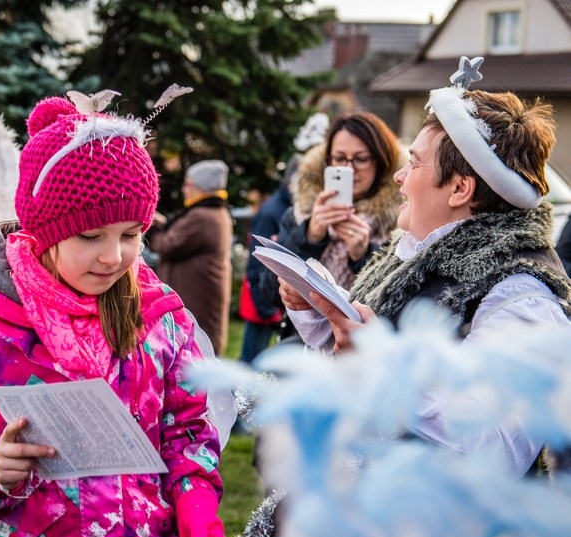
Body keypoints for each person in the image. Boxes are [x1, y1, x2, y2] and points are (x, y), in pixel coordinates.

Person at [0, 91, 226, 537]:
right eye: (90, 235)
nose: (113, 255)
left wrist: (196, 509)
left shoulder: (163, 326)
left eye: (131, 234)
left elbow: (188, 436)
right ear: (44, 234)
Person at [280, 56, 571, 477]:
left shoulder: (523, 293)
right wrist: (323, 314)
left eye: (414, 162)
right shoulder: (415, 255)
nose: (399, 176)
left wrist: (379, 363)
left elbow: (491, 442)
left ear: (459, 188)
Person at [259, 112, 404, 341]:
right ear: (327, 161)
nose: (349, 168)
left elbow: (397, 304)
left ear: (382, 161)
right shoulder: (299, 215)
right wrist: (310, 236)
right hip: (302, 346)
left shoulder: (401, 222)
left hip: (363, 350)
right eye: (339, 158)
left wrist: (362, 256)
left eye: (361, 158)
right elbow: (267, 292)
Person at [147, 159, 233, 355]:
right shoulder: (213, 213)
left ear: (201, 188)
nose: (184, 189)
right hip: (203, 297)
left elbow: (168, 244)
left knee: (196, 351)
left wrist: (152, 227)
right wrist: (166, 223)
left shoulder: (201, 217)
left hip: (196, 300)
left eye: (188, 184)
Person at [238, 162, 293, 364]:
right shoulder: (273, 211)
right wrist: (265, 307)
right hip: (260, 297)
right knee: (251, 360)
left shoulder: (282, 206)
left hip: (264, 297)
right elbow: (257, 259)